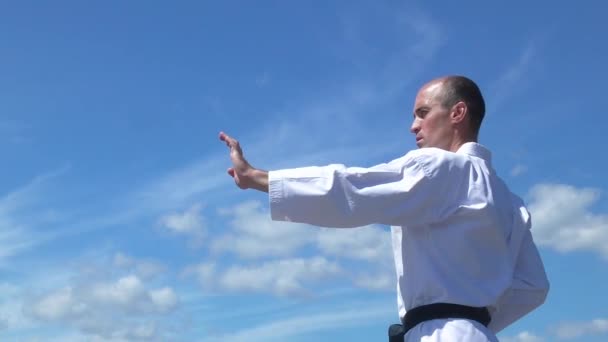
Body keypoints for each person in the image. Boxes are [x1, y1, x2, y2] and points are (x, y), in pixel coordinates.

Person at [219, 75, 549, 341]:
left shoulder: (441, 169)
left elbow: (352, 189)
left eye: (422, 113)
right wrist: (476, 322)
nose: (413, 126)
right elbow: (533, 287)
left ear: (457, 113)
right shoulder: (510, 202)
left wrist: (259, 179)